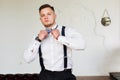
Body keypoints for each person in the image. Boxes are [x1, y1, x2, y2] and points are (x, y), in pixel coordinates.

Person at [24, 4, 85, 80]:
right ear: (40, 19)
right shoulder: (38, 37)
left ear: (55, 16)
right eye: (43, 15)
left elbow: (82, 45)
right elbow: (27, 58)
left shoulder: (67, 31)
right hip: (45, 76)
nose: (46, 17)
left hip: (65, 76)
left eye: (49, 14)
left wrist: (59, 37)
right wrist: (38, 40)